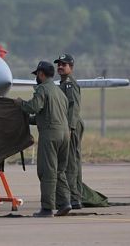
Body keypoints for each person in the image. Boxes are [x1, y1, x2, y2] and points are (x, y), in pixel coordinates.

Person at [15, 61, 71, 217]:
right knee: (59, 170)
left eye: (37, 75)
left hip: (50, 135)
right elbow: (45, 114)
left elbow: (33, 107)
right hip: (65, 134)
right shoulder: (59, 92)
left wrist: (21, 104)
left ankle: (47, 208)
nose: (36, 78)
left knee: (47, 172)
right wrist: (29, 120)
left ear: (41, 74)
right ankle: (65, 202)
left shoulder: (42, 89)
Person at [54, 54, 84, 209]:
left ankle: (74, 198)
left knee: (71, 162)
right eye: (58, 64)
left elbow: (74, 107)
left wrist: (71, 128)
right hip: (66, 125)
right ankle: (74, 196)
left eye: (63, 64)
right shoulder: (63, 83)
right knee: (70, 161)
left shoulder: (70, 84)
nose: (60, 66)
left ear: (71, 67)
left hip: (70, 125)